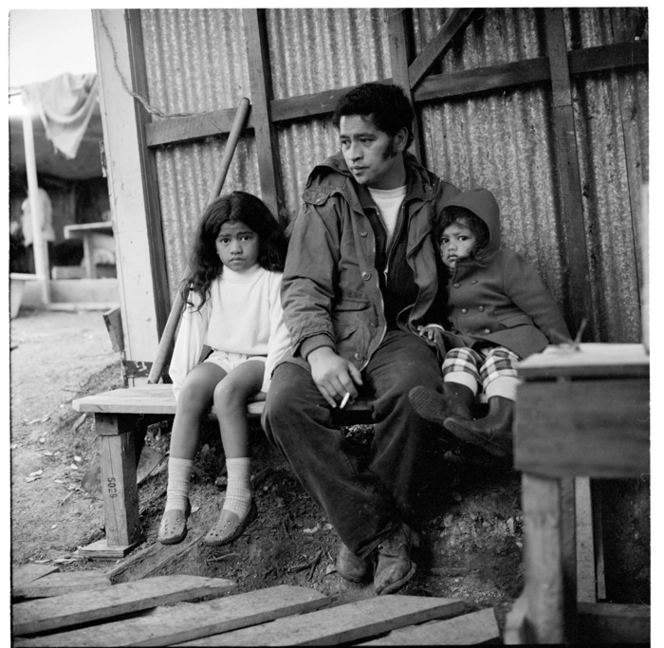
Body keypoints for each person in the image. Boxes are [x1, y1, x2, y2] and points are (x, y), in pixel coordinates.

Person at [263, 82, 460, 595]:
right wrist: (320, 352)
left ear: (400, 138)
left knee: (416, 396)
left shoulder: (437, 198)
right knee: (284, 407)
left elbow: (472, 271)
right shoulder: (327, 197)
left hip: (402, 332)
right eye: (345, 141)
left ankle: (360, 534)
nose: (351, 153)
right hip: (331, 332)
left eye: (365, 141)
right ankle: (383, 534)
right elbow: (302, 284)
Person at [159, 191, 290, 546]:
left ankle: (238, 497)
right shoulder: (208, 281)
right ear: (213, 245)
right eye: (226, 240)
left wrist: (274, 379)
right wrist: (182, 383)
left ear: (261, 237)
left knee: (228, 391)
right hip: (223, 357)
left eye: (245, 237)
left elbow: (282, 335)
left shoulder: (273, 280)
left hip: (260, 361)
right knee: (192, 389)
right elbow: (191, 335)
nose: (236, 248)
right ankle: (176, 497)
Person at [409, 188, 571, 457]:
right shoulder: (444, 277)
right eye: (445, 240)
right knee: (457, 356)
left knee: (498, 359)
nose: (452, 246)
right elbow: (441, 313)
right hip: (471, 343)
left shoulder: (505, 263)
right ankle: (455, 411)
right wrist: (436, 329)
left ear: (483, 238)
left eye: (462, 238)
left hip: (512, 339)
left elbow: (542, 306)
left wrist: (565, 349)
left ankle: (500, 423)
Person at [20, 187, 55, 273]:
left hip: (41, 239)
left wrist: (33, 234)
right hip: (34, 239)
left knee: (40, 272)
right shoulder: (32, 195)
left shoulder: (38, 193)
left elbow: (39, 217)